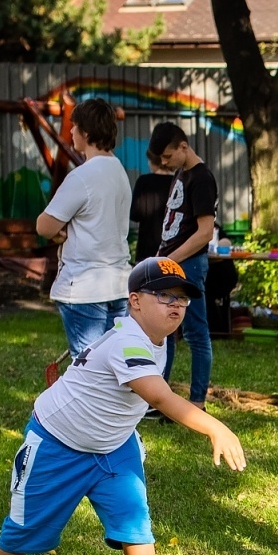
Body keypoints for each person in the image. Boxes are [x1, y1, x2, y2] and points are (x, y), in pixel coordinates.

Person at [0, 256, 247, 555]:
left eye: (183, 299)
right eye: (164, 296)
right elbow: (160, 397)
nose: (176, 305)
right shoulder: (128, 342)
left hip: (113, 445)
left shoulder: (159, 339)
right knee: (22, 530)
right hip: (57, 444)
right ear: (134, 301)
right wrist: (215, 428)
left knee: (135, 524)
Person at [37, 98, 132, 360]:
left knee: (88, 372)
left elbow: (44, 225)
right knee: (116, 367)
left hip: (84, 286)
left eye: (74, 126)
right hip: (118, 284)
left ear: (86, 133)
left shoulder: (82, 176)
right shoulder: (119, 172)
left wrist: (59, 231)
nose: (70, 131)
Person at [150, 123, 218, 408]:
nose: (164, 163)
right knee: (165, 330)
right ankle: (159, 397)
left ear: (183, 146)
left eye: (167, 156)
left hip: (187, 265)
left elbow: (205, 232)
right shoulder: (180, 173)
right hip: (170, 262)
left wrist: (170, 260)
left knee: (195, 333)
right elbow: (172, 227)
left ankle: (197, 401)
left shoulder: (202, 178)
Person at [130, 146, 174, 264]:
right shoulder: (177, 182)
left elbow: (134, 214)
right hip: (172, 249)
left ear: (153, 161)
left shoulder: (143, 182)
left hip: (146, 249)